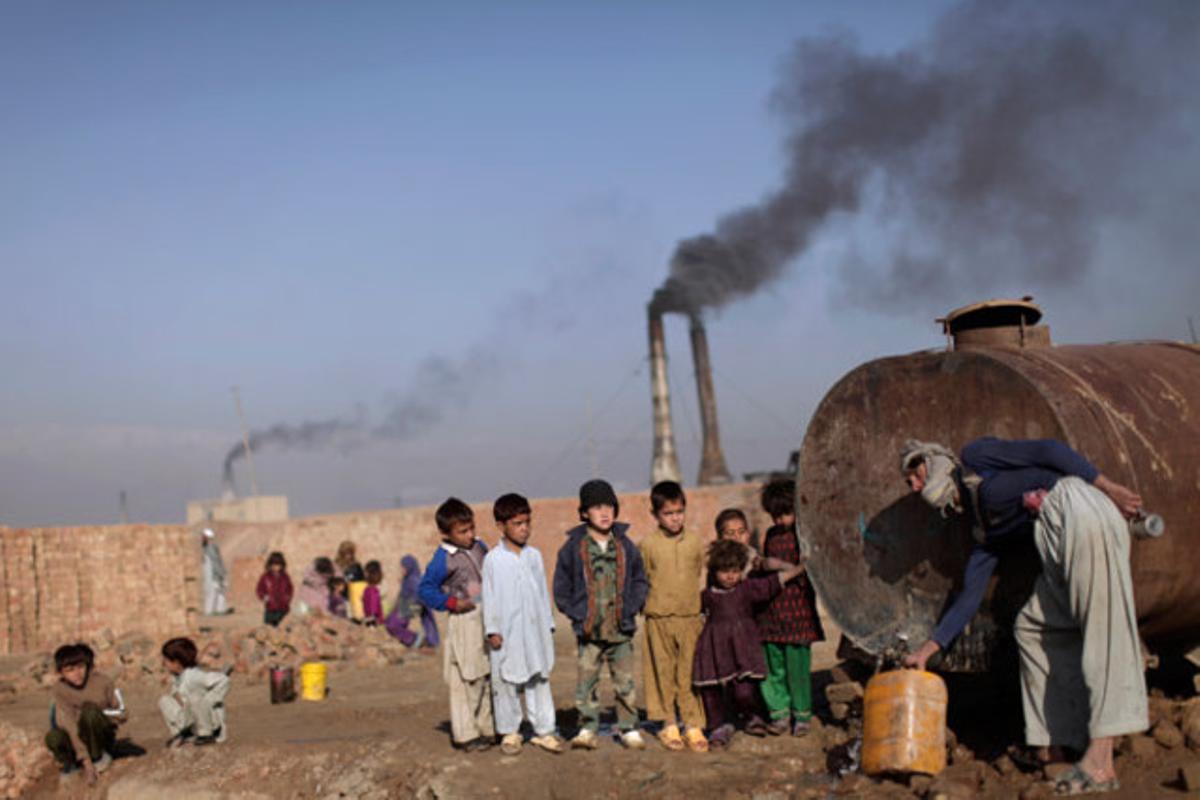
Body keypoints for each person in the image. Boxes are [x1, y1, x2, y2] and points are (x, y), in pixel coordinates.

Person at [899, 437, 1148, 795]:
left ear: (936, 459)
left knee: (1102, 631)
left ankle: (1101, 761)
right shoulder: (984, 530)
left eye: (917, 472)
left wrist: (1109, 489)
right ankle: (1055, 743)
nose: (916, 485)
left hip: (1078, 509)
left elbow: (1048, 452)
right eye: (910, 484)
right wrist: (926, 650)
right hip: (1057, 535)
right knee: (1032, 627)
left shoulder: (975, 458)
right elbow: (968, 598)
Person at [553, 479, 649, 751]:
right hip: (589, 630)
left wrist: (632, 605)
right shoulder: (573, 548)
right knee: (587, 682)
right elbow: (561, 587)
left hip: (621, 627)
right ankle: (587, 727)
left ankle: (628, 727)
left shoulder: (626, 546)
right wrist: (577, 613)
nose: (604, 512)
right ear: (584, 513)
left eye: (609, 506)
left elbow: (640, 579)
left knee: (625, 682)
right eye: (596, 507)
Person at [693, 540, 809, 749]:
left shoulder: (746, 589)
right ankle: (719, 726)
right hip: (716, 647)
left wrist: (800, 568)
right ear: (714, 571)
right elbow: (694, 610)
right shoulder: (708, 595)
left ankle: (752, 717)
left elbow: (773, 582)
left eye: (735, 571)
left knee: (744, 690)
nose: (730, 576)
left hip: (742, 646)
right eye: (725, 571)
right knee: (712, 690)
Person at [482, 493, 565, 756]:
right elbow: (489, 596)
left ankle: (544, 731)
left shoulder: (534, 556)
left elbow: (542, 592)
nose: (524, 528)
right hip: (506, 634)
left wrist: (548, 623)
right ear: (501, 526)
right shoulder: (493, 560)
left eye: (527, 522)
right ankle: (510, 732)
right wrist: (492, 630)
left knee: (539, 678)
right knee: (505, 681)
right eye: (518, 523)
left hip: (534, 629)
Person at [419, 497, 494, 751]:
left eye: (471, 528)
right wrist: (451, 603)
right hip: (464, 620)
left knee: (486, 674)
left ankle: (487, 728)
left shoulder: (480, 546)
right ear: (446, 534)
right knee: (466, 678)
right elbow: (425, 590)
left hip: (487, 617)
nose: (469, 535)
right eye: (462, 531)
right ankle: (465, 734)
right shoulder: (443, 559)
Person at [638, 480, 708, 752]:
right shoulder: (647, 545)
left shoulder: (694, 542)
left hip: (690, 616)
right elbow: (642, 579)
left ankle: (693, 723)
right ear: (655, 515)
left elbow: (698, 571)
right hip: (659, 618)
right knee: (662, 672)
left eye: (679, 511)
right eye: (668, 513)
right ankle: (668, 723)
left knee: (690, 673)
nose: (675, 518)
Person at [754, 479, 824, 737]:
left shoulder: (805, 535)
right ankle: (779, 714)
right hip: (771, 614)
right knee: (773, 668)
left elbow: (812, 568)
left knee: (798, 669)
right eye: (775, 516)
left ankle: (802, 715)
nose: (780, 521)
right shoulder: (772, 536)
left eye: (785, 514)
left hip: (798, 614)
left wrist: (784, 567)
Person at [45, 643, 124, 785]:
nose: (77, 673)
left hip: (99, 735)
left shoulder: (103, 682)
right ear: (61, 673)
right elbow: (69, 724)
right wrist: (85, 761)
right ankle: (71, 764)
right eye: (70, 670)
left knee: (90, 712)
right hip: (77, 736)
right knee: (53, 737)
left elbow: (122, 712)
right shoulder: (59, 690)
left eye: (81, 667)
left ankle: (98, 756)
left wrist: (101, 713)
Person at [159, 637, 230, 747]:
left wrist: (209, 700)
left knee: (195, 699)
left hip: (209, 721)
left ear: (176, 662)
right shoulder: (178, 678)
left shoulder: (194, 675)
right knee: (165, 701)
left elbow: (223, 680)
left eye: (166, 660)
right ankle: (182, 733)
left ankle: (206, 734)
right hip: (192, 717)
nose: (163, 664)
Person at [715, 508, 795, 578]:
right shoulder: (717, 563)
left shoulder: (754, 559)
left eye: (741, 532)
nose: (737, 537)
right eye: (730, 533)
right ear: (720, 538)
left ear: (748, 534)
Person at [385, 555, 440, 648]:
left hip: (412, 606)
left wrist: (409, 605)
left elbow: (419, 597)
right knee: (389, 622)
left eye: (404, 567)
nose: (402, 570)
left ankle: (415, 639)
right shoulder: (407, 580)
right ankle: (410, 639)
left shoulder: (414, 580)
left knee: (393, 624)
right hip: (405, 606)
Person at [255, 551, 294, 627]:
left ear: (282, 565)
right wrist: (265, 597)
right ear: (270, 565)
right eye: (274, 565)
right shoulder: (265, 577)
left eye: (278, 565)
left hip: (283, 609)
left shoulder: (285, 577)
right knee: (269, 632)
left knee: (284, 631)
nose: (276, 567)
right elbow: (259, 589)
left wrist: (287, 598)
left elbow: (290, 589)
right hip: (270, 610)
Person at [201, 528, 231, 616]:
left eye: (204, 537)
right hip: (212, 576)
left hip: (214, 575)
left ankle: (213, 611)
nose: (202, 538)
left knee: (215, 592)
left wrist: (220, 574)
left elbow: (216, 562)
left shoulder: (210, 548)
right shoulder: (207, 548)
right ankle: (217, 610)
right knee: (216, 592)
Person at [362, 560, 385, 625]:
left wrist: (367, 620)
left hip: (373, 621)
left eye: (365, 573)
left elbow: (373, 609)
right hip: (371, 619)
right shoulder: (369, 589)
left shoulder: (372, 591)